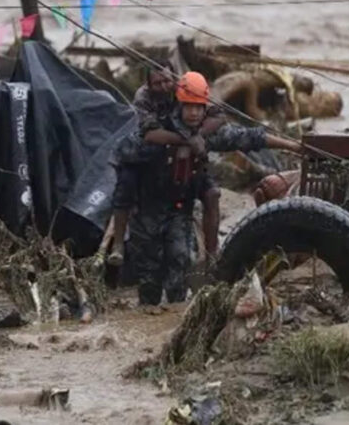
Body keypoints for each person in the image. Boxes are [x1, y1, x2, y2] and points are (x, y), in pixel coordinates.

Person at [118, 71, 302, 306]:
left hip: (178, 211)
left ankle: (176, 310)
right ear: (179, 105)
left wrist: (293, 146)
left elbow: (249, 137)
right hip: (147, 213)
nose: (194, 113)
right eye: (189, 107)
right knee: (149, 282)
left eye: (199, 107)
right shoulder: (157, 129)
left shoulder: (205, 134)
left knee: (181, 262)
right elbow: (127, 164)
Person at [108, 61, 225, 266]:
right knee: (126, 183)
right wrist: (187, 140)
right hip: (145, 150)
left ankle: (212, 254)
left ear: (175, 79)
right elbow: (151, 133)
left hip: (182, 150)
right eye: (157, 83)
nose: (163, 87)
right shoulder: (143, 98)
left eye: (166, 81)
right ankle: (118, 243)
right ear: (148, 84)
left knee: (211, 192)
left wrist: (199, 135)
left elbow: (219, 115)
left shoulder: (186, 88)